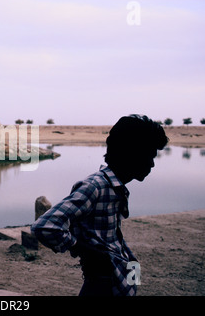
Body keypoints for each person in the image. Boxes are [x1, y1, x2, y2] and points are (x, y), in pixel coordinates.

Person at [31, 114, 169, 296]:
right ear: (131, 154)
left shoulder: (116, 187)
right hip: (101, 286)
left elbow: (113, 239)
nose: (152, 164)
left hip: (116, 281)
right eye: (149, 156)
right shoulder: (94, 187)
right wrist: (86, 252)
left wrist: (133, 275)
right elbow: (45, 226)